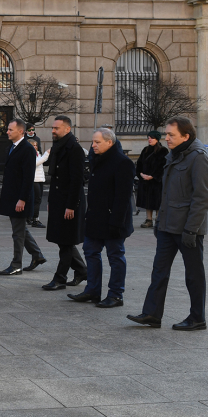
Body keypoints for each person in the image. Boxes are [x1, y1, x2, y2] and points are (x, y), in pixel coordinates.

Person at [128, 116, 208, 331]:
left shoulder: (198, 157)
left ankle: (197, 318)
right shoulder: (172, 156)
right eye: (166, 134)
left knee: (193, 275)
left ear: (186, 136)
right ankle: (152, 314)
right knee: (159, 271)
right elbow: (166, 194)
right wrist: (159, 222)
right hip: (167, 226)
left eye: (171, 135)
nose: (166, 138)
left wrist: (191, 230)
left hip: (187, 229)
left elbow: (201, 198)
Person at [69, 127, 134, 308]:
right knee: (90, 252)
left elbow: (123, 197)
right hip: (96, 218)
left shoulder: (123, 163)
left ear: (109, 142)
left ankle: (116, 294)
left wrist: (116, 222)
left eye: (97, 142)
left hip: (113, 220)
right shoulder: (97, 160)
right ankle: (92, 290)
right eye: (93, 141)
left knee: (115, 256)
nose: (93, 145)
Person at [42, 115, 88, 291]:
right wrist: (51, 201)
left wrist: (71, 206)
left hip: (70, 202)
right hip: (58, 200)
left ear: (67, 129)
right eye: (52, 128)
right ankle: (82, 270)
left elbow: (77, 181)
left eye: (56, 128)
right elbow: (54, 179)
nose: (53, 131)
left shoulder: (74, 149)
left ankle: (60, 278)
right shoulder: (58, 147)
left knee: (66, 241)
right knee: (63, 240)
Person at [0, 118, 46, 275]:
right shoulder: (13, 147)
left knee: (18, 232)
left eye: (10, 129)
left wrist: (22, 199)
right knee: (20, 228)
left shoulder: (27, 149)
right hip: (11, 195)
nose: (7, 132)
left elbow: (28, 176)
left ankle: (16, 264)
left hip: (20, 197)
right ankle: (37, 255)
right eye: (8, 129)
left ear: (21, 131)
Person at [135, 131, 168, 228]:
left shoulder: (163, 151)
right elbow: (139, 163)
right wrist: (141, 174)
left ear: (157, 139)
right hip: (145, 181)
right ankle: (148, 219)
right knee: (147, 201)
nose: (149, 139)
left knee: (157, 201)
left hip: (156, 182)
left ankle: (158, 219)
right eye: (148, 137)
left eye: (152, 138)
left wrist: (153, 176)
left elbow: (163, 166)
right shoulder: (145, 150)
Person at [29, 138, 49, 229]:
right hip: (34, 180)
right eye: (33, 145)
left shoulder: (37, 154)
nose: (35, 147)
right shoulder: (29, 154)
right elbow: (35, 163)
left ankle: (30, 217)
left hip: (39, 179)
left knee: (36, 200)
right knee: (37, 200)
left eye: (36, 145)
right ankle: (35, 219)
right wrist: (47, 154)